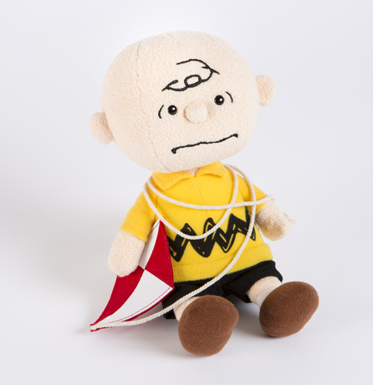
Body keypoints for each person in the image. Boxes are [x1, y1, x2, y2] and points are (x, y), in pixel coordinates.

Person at [90, 31, 319, 356]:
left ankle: (272, 298)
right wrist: (126, 256)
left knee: (261, 274)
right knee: (188, 296)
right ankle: (198, 316)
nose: (198, 114)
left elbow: (258, 202)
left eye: (219, 100)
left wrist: (275, 221)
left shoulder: (234, 180)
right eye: (171, 109)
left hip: (246, 256)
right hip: (187, 273)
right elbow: (135, 228)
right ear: (109, 127)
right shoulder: (156, 195)